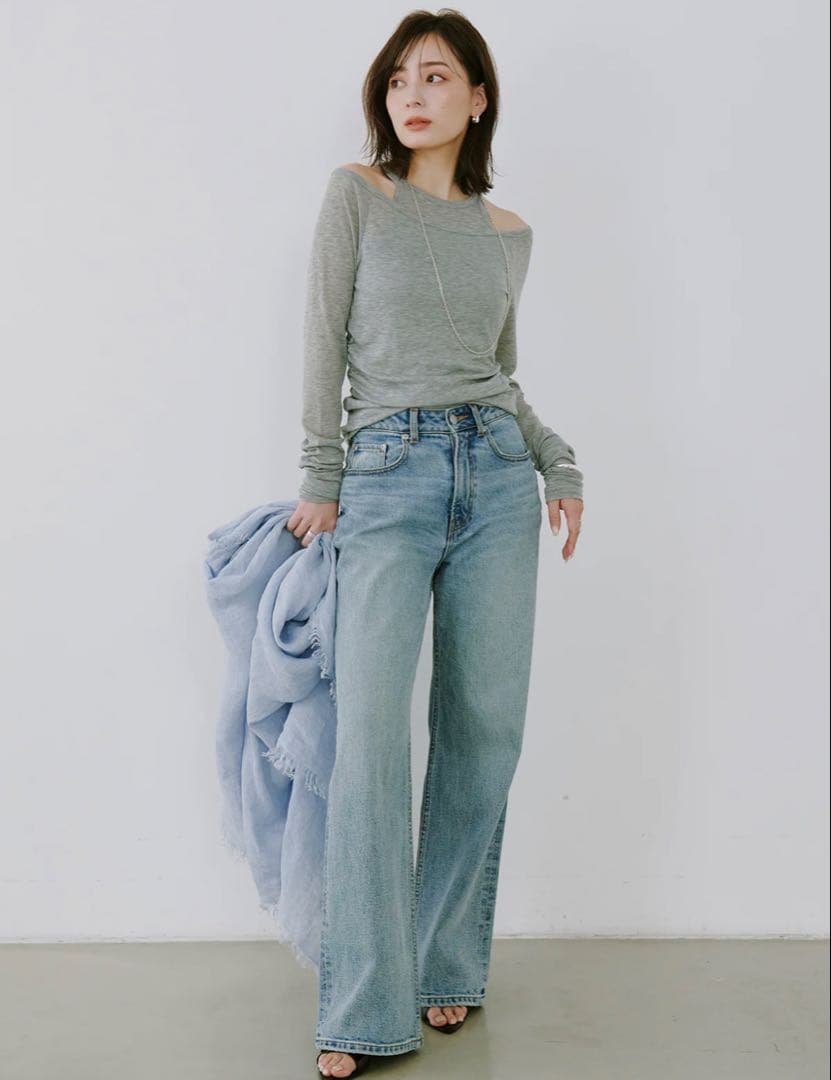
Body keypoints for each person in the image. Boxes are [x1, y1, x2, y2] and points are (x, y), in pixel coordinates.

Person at [286, 11, 585, 1077]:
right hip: (387, 473)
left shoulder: (509, 233)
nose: (413, 95)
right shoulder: (356, 197)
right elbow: (322, 338)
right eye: (398, 80)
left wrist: (557, 460)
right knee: (371, 738)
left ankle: (446, 963)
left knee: (483, 732)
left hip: (499, 478)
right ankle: (363, 1007)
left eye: (437, 76)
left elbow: (495, 372)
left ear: (478, 97)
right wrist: (321, 476)